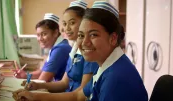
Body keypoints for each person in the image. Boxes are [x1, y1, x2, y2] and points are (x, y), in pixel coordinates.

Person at [13, 1, 148, 101]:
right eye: (81, 36)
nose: (84, 43)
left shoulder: (115, 79)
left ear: (113, 38)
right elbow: (78, 95)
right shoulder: (105, 66)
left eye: (94, 35)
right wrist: (34, 96)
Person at [19, 0, 98, 93]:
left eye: (72, 23)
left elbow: (80, 95)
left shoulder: (63, 49)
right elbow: (64, 83)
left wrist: (39, 95)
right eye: (64, 24)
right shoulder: (74, 49)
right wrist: (37, 85)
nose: (67, 29)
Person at [13, 13, 72, 82]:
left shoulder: (60, 49)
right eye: (38, 35)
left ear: (55, 33)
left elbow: (42, 80)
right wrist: (25, 75)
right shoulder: (59, 45)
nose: (40, 39)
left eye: (44, 34)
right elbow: (42, 71)